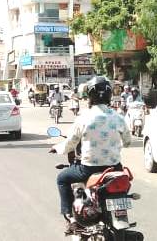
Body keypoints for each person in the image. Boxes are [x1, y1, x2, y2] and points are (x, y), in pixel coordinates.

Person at [50, 76, 131, 233]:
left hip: (89, 169)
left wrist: (57, 148)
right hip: (114, 168)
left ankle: (71, 218)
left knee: (62, 179)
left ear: (90, 96)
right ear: (109, 95)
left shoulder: (84, 117)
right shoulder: (118, 117)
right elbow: (127, 142)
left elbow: (71, 143)